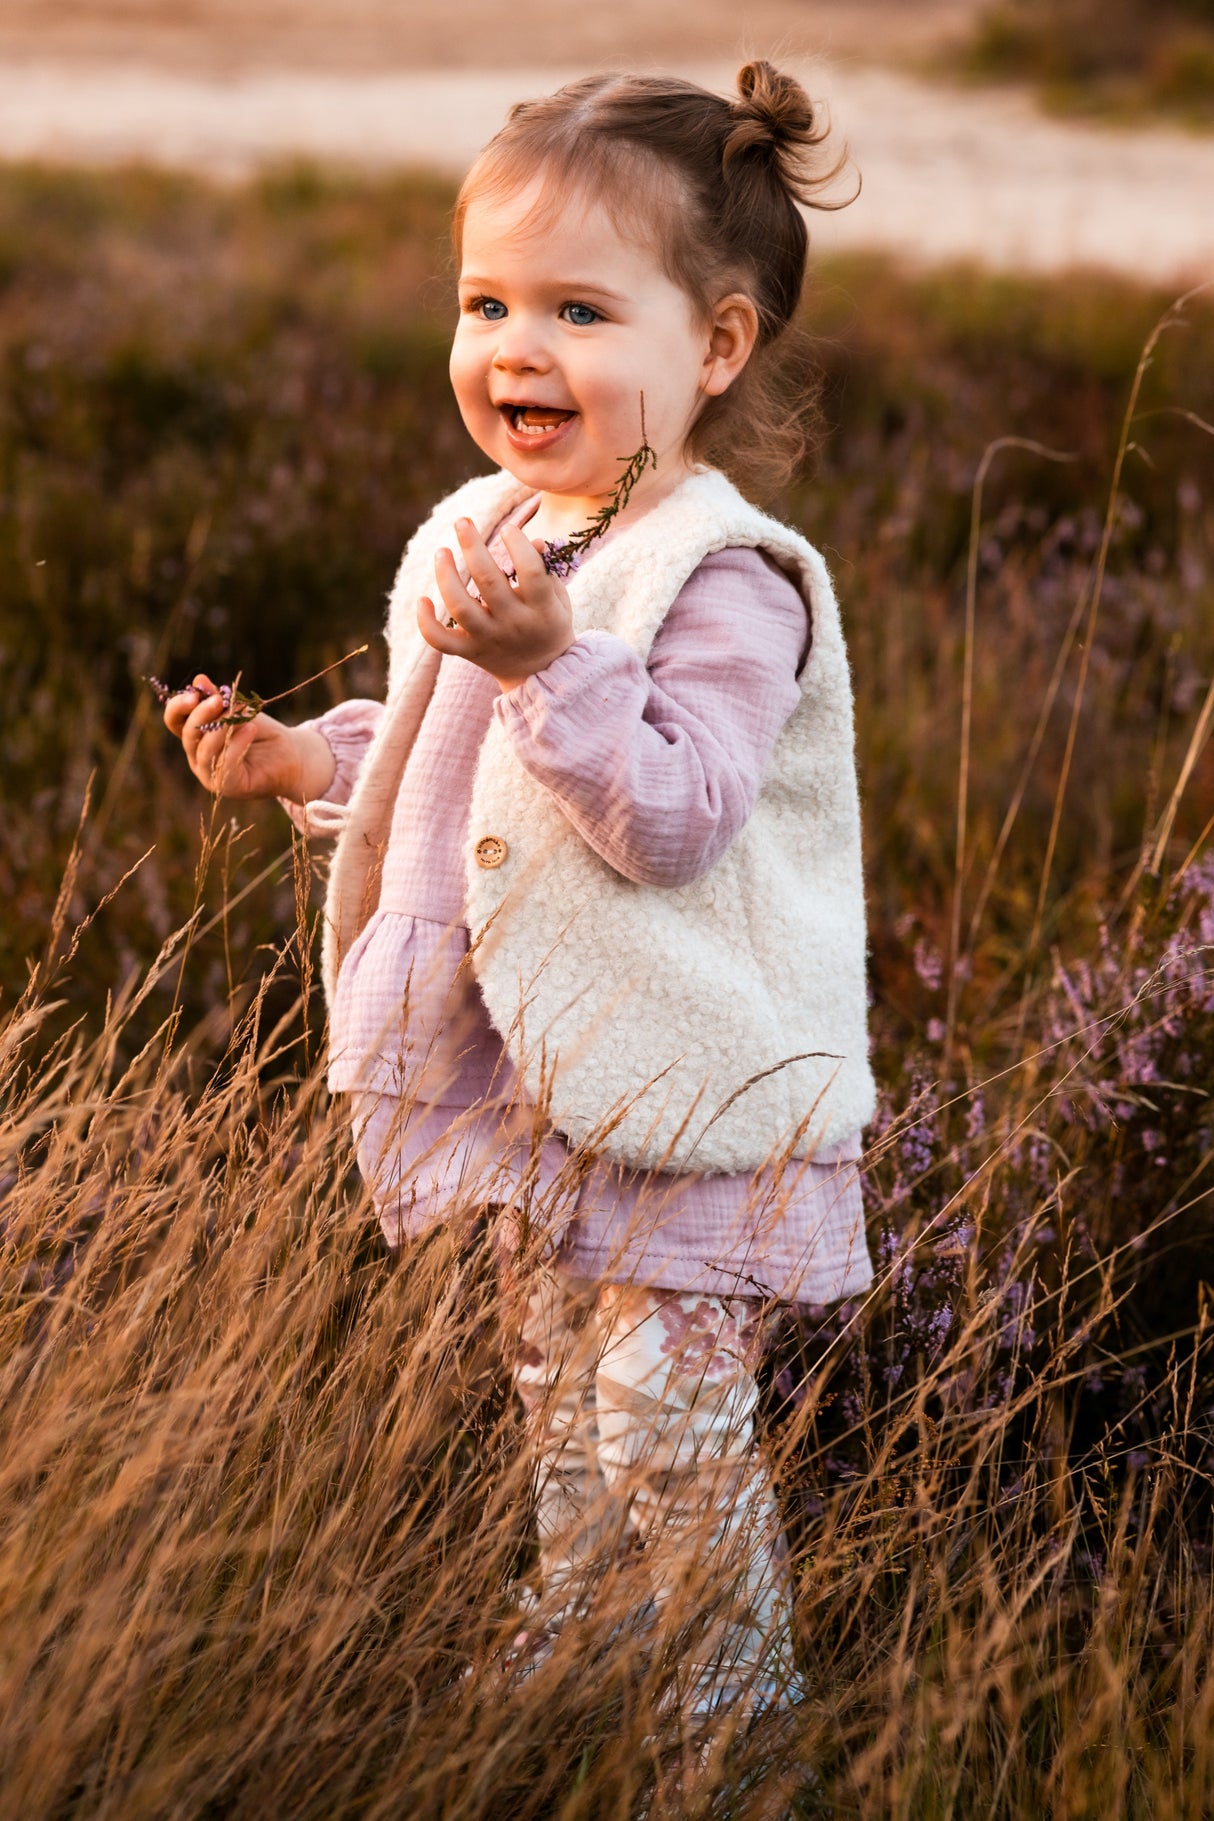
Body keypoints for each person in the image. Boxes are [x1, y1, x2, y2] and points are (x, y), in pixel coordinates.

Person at [163, 60, 876, 1757]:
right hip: (535, 1083)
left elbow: (677, 813)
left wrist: (554, 665)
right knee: (560, 1400)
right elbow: (444, 756)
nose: (513, 348)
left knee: (668, 1423)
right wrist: (293, 761)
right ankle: (581, 1652)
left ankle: (728, 1723)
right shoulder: (485, 530)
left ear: (710, 347)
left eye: (575, 307)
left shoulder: (724, 578)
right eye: (484, 301)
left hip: (685, 1096)